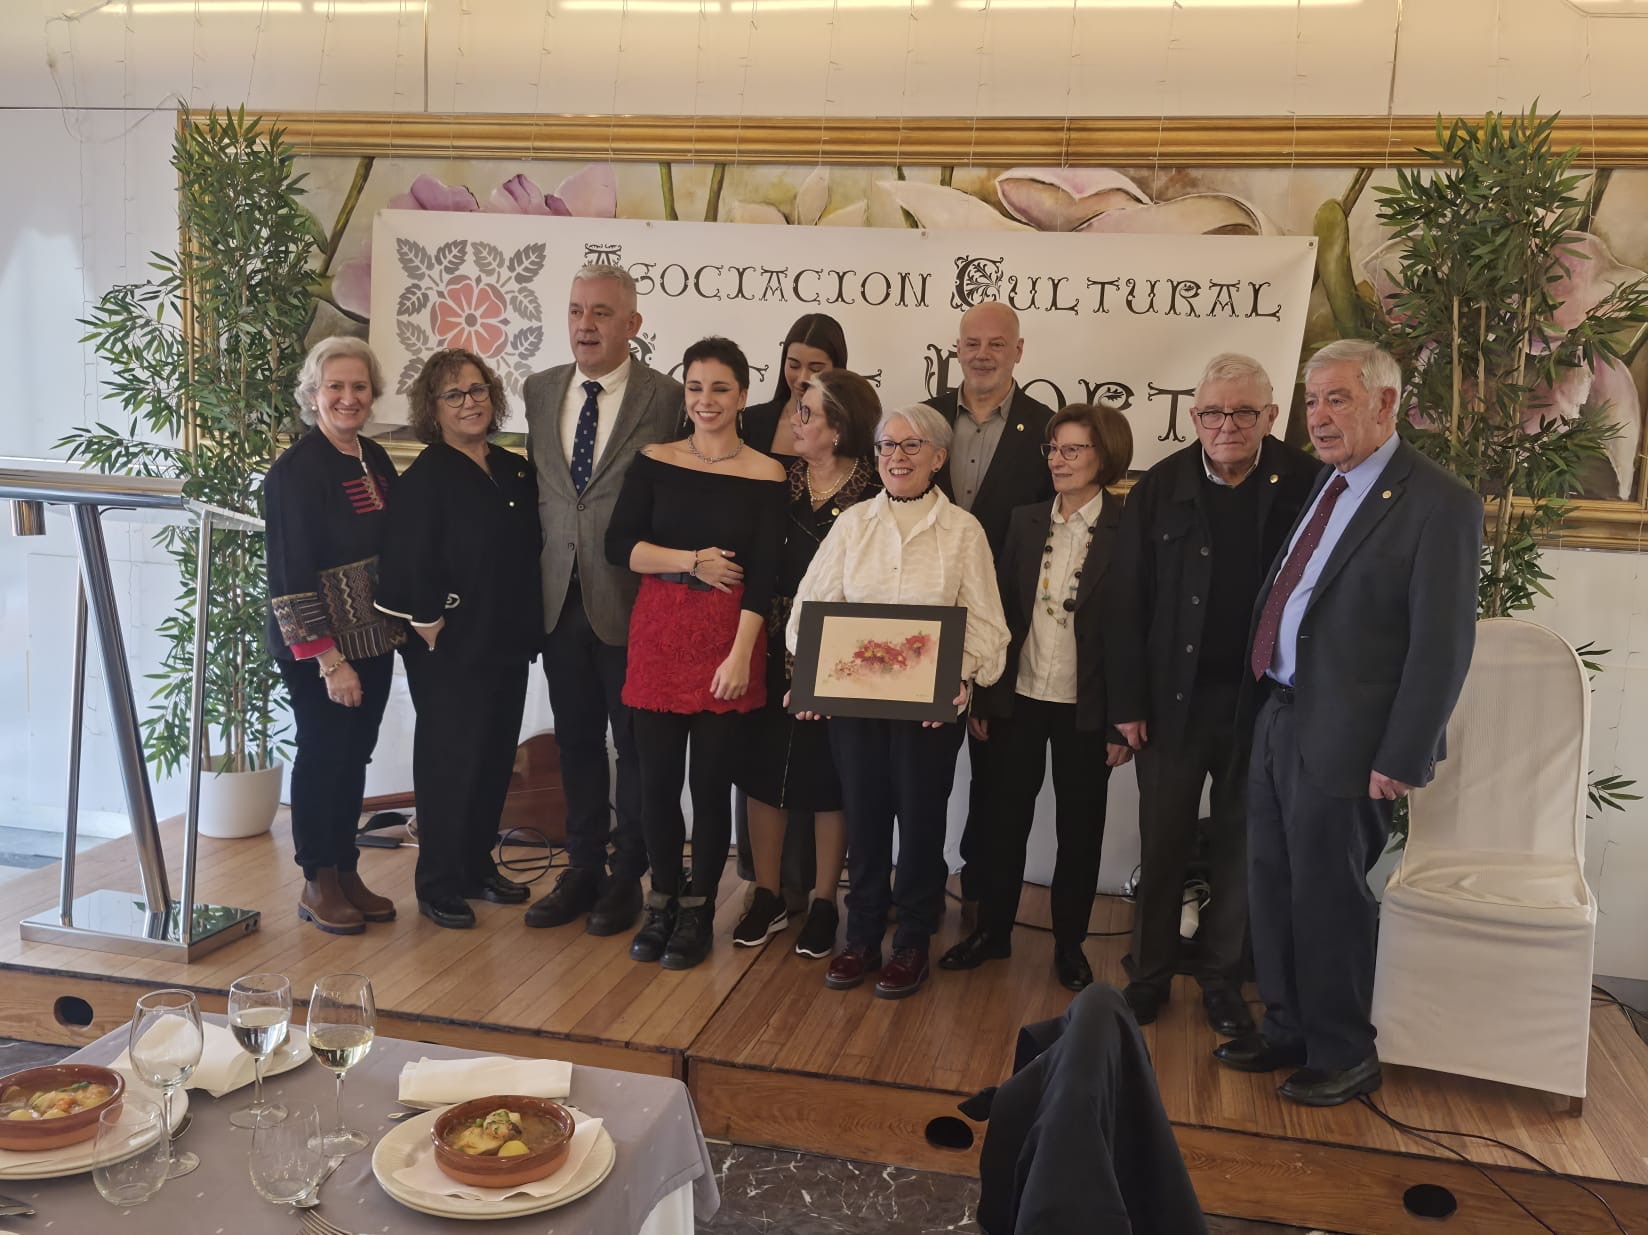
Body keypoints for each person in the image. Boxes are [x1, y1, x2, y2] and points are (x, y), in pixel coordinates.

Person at [1215, 340, 1481, 1107]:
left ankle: (1343, 1050)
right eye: (1312, 401)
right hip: (1279, 715)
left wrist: (1404, 753)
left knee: (1329, 897)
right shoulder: (1327, 484)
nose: (1319, 417)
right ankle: (1288, 1026)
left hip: (1352, 738)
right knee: (1272, 884)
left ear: (1386, 403)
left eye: (1337, 398)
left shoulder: (1439, 502)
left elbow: (1442, 644)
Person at [1108, 354, 1321, 1036]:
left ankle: (1223, 982)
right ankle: (1148, 975)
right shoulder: (1159, 486)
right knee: (1163, 842)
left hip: (1263, 705)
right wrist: (1126, 704)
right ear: (1194, 416)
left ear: (1271, 415)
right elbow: (1125, 601)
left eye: (1243, 412)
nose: (1226, 425)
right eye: (1211, 412)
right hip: (1171, 704)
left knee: (1241, 846)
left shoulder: (1307, 484)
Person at [788, 403, 1010, 1000]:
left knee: (921, 822)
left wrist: (959, 675)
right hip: (856, 708)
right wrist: (816, 675)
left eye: (912, 446)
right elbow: (808, 612)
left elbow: (988, 627)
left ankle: (912, 938)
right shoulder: (853, 524)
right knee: (864, 820)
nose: (897, 457)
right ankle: (861, 935)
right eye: (887, 445)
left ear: (939, 458)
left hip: (929, 711)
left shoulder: (964, 531)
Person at [941, 403, 1135, 992]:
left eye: (1073, 449)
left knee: (1080, 831)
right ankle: (992, 932)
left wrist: (1121, 721)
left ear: (1105, 455)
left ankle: (1070, 945)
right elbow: (994, 612)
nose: (1058, 460)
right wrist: (982, 694)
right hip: (1017, 697)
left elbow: (1136, 629)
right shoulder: (1024, 520)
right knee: (1002, 822)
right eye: (1054, 448)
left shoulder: (1129, 526)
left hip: (1087, 707)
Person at [606, 337, 787, 969]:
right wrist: (691, 560)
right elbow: (620, 546)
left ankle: (700, 907)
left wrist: (741, 656)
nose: (705, 400)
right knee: (656, 782)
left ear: (742, 395)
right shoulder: (655, 459)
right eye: (694, 387)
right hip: (658, 633)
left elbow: (763, 577)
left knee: (709, 786)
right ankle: (661, 900)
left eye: (719, 388)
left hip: (729, 641)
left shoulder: (767, 473)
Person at [522, 264, 682, 937]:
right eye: (576, 310)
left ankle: (628, 876)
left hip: (632, 600)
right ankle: (583, 867)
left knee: (636, 748)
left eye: (602, 313)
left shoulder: (667, 397)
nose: (585, 325)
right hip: (558, 599)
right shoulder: (538, 390)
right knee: (577, 740)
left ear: (633, 324)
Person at [375, 349, 544, 930]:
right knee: (450, 761)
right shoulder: (426, 477)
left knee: (495, 757)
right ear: (433, 408)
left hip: (506, 637)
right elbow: (407, 555)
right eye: (454, 394)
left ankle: (475, 867)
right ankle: (439, 882)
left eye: (477, 390)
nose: (469, 402)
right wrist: (428, 618)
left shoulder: (513, 468)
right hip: (448, 646)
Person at [731, 369, 881, 959]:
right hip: (768, 643)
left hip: (841, 653)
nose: (794, 421)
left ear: (838, 427)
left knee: (829, 779)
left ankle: (823, 902)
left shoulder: (874, 492)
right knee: (762, 769)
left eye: (807, 413)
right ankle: (767, 895)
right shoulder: (778, 480)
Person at [265, 336, 406, 936]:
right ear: (313, 394)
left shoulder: (373, 456)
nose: (349, 397)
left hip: (373, 639)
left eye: (359, 386)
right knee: (324, 755)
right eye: (335, 386)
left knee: (354, 756)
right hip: (320, 649)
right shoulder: (295, 472)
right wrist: (328, 659)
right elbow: (288, 575)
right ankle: (317, 878)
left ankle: (346, 870)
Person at [924, 300, 1055, 933]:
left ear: (1019, 351)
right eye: (971, 343)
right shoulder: (924, 421)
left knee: (996, 781)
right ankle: (918, 893)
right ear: (956, 348)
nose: (982, 354)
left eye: (996, 344)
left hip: (1005, 632)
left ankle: (981, 902)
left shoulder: (1046, 429)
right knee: (921, 777)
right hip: (923, 631)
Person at [742, 313, 849, 460]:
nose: (802, 378)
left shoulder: (853, 430)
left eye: (816, 369)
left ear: (837, 369)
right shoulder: (750, 421)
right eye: (794, 365)